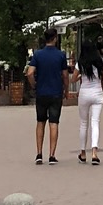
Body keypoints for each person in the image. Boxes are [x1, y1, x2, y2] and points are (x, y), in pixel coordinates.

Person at [26, 28, 68, 164]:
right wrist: (66, 90)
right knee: (54, 123)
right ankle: (52, 155)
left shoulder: (38, 55)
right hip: (56, 93)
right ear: (55, 38)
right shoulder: (61, 55)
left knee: (40, 122)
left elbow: (29, 73)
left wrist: (34, 85)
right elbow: (65, 75)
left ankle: (39, 154)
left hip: (41, 93)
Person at [76, 35, 103, 165]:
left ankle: (83, 153)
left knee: (84, 123)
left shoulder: (80, 62)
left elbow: (73, 78)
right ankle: (94, 153)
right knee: (95, 123)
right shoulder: (100, 61)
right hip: (97, 93)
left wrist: (80, 76)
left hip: (84, 93)